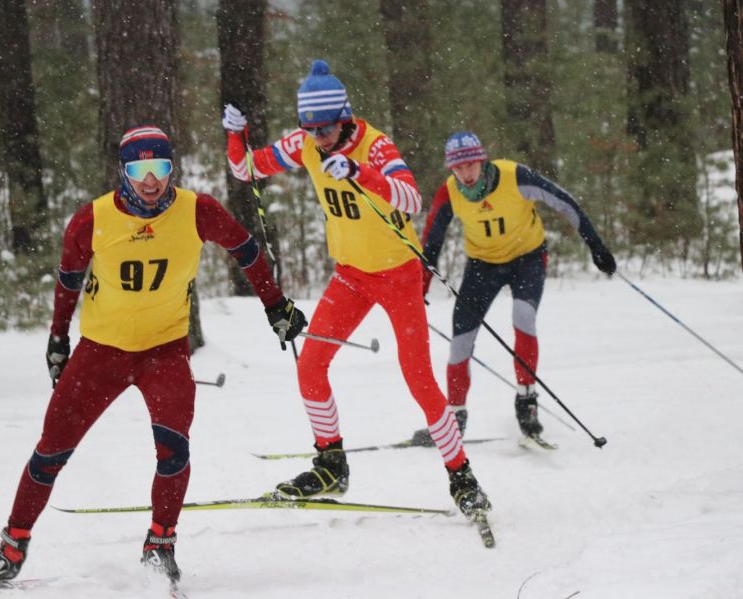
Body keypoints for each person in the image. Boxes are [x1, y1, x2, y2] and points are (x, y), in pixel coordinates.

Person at [0, 125, 305, 596]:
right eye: (138, 169)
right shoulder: (92, 219)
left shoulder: (199, 211)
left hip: (164, 351)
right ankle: (10, 552)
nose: (150, 181)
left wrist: (275, 305)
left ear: (173, 169)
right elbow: (68, 281)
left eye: (160, 168)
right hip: (100, 353)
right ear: (123, 172)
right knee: (51, 451)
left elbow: (247, 250)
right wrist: (56, 339)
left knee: (174, 450)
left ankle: (160, 545)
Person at [221, 59, 491, 520]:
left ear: (343, 117)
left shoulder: (376, 145)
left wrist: (362, 173)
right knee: (310, 365)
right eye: (311, 128)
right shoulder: (303, 141)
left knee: (419, 379)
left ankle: (461, 475)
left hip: (398, 274)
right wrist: (235, 134)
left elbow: (411, 198)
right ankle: (331, 464)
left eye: (325, 128)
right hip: (351, 275)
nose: (318, 137)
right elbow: (247, 169)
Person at [415, 131, 616, 442]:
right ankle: (455, 415)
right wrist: (420, 287)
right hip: (483, 266)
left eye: (471, 165)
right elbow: (432, 241)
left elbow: (564, 202)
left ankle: (527, 401)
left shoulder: (514, 176)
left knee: (523, 316)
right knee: (460, 340)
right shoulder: (450, 192)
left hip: (528, 260)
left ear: (482, 161)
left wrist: (596, 246)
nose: (465, 174)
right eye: (458, 168)